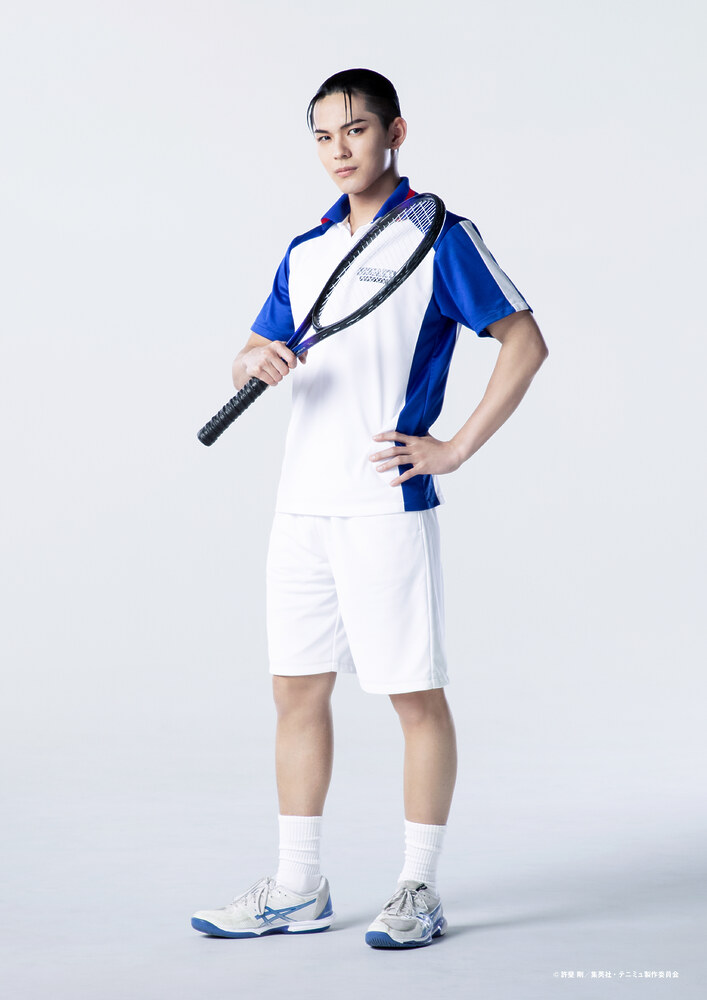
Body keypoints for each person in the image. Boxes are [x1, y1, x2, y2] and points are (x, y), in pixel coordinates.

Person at [191, 68, 548, 949]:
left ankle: (417, 888)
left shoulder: (439, 236)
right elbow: (253, 347)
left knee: (413, 697)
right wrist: (250, 362)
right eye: (322, 136)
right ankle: (295, 888)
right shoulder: (305, 249)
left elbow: (523, 341)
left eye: (354, 130)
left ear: (394, 131)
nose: (338, 150)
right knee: (294, 691)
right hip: (300, 509)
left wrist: (453, 447)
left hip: (386, 505)